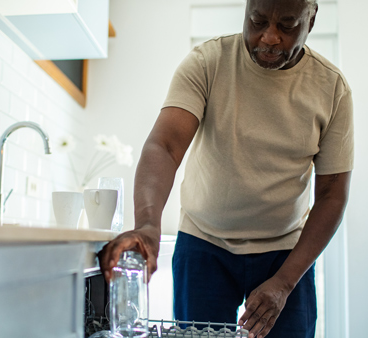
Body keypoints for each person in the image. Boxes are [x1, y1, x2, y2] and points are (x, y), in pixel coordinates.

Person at [99, 0, 353, 337]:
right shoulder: (208, 62)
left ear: (311, 19)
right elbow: (166, 145)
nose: (269, 38)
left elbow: (332, 195)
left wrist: (284, 283)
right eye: (258, 21)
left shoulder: (332, 88)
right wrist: (148, 224)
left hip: (285, 253)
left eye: (287, 25)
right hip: (204, 244)